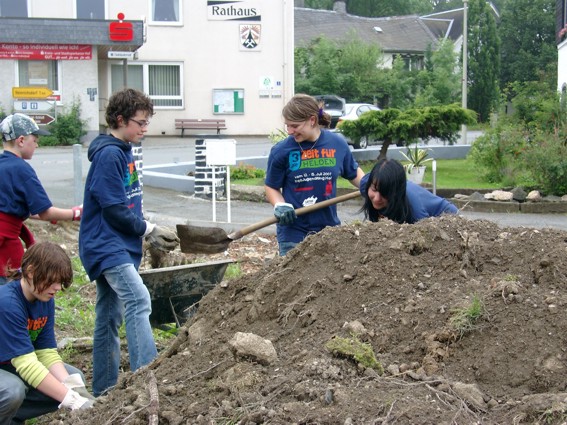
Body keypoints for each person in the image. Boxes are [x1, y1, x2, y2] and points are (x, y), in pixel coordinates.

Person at [79, 88, 179, 396]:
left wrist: (143, 226)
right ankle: (146, 380)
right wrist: (148, 230)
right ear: (121, 120)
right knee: (139, 299)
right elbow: (112, 208)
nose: (145, 129)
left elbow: (129, 201)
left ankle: (105, 391)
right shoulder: (110, 155)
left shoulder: (123, 150)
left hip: (118, 244)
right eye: (141, 122)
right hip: (106, 244)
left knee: (109, 315)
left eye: (147, 122)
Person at [0, 242, 95, 423]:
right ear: (30, 272)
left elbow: (46, 353)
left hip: (9, 363)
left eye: (61, 282)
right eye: (53, 280)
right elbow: (27, 365)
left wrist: (73, 388)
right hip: (11, 366)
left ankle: (11, 417)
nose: (58, 287)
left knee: (72, 377)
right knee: (12, 390)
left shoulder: (44, 298)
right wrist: (71, 400)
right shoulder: (8, 304)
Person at [264, 93, 364, 256]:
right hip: (293, 234)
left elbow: (353, 173)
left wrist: (371, 186)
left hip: (328, 232)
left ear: (312, 120)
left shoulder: (336, 144)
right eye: (287, 125)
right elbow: (271, 186)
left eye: (294, 126)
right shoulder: (281, 151)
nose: (290, 131)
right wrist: (279, 205)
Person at [0, 113, 83, 285]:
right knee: (11, 292)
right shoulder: (21, 169)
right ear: (21, 140)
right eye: (35, 139)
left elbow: (21, 211)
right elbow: (45, 212)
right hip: (5, 246)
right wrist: (76, 213)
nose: (37, 145)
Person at [360, 158, 458, 223]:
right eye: (374, 189)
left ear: (396, 194)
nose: (376, 198)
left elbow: (425, 236)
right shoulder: (366, 183)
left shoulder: (415, 212)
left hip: (447, 219)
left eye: (385, 194)